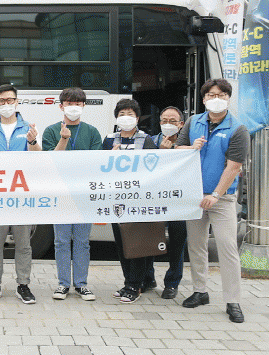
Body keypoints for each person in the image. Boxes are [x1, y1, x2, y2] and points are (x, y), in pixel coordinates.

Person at [176, 78, 249, 323]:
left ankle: (233, 300)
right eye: (211, 95)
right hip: (194, 196)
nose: (215, 99)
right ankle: (200, 291)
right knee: (196, 246)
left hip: (222, 198)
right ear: (203, 98)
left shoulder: (238, 129)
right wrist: (191, 148)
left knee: (227, 249)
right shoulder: (192, 122)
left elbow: (233, 166)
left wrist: (215, 195)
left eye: (221, 95)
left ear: (228, 98)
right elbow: (177, 149)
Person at [0, 84, 41, 304]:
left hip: (21, 195)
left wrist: (32, 141)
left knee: (23, 244)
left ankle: (23, 285)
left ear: (17, 102)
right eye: (1, 101)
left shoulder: (29, 128)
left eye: (10, 100)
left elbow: (38, 158)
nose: (6, 104)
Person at [42, 87, 101, 302]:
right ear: (61, 106)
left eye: (78, 103)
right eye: (69, 103)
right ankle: (63, 284)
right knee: (61, 241)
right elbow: (51, 161)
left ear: (84, 106)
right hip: (61, 193)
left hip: (84, 193)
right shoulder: (51, 131)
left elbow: (95, 162)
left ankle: (82, 284)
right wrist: (64, 139)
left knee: (82, 241)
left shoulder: (92, 132)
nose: (73, 107)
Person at [102, 98, 157, 304]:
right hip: (116, 199)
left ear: (137, 118)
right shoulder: (109, 140)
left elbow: (154, 168)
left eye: (130, 114)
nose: (126, 118)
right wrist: (109, 157)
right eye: (122, 114)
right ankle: (128, 282)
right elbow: (99, 166)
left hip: (138, 199)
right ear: (116, 118)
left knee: (137, 243)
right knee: (122, 243)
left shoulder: (146, 139)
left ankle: (136, 285)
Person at [146, 106, 188, 299]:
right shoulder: (151, 141)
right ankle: (148, 278)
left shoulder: (187, 144)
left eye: (173, 121)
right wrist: (160, 152)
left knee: (178, 241)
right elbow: (147, 170)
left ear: (181, 124)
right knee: (150, 239)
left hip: (178, 200)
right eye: (164, 120)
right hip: (155, 199)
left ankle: (172, 283)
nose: (168, 124)